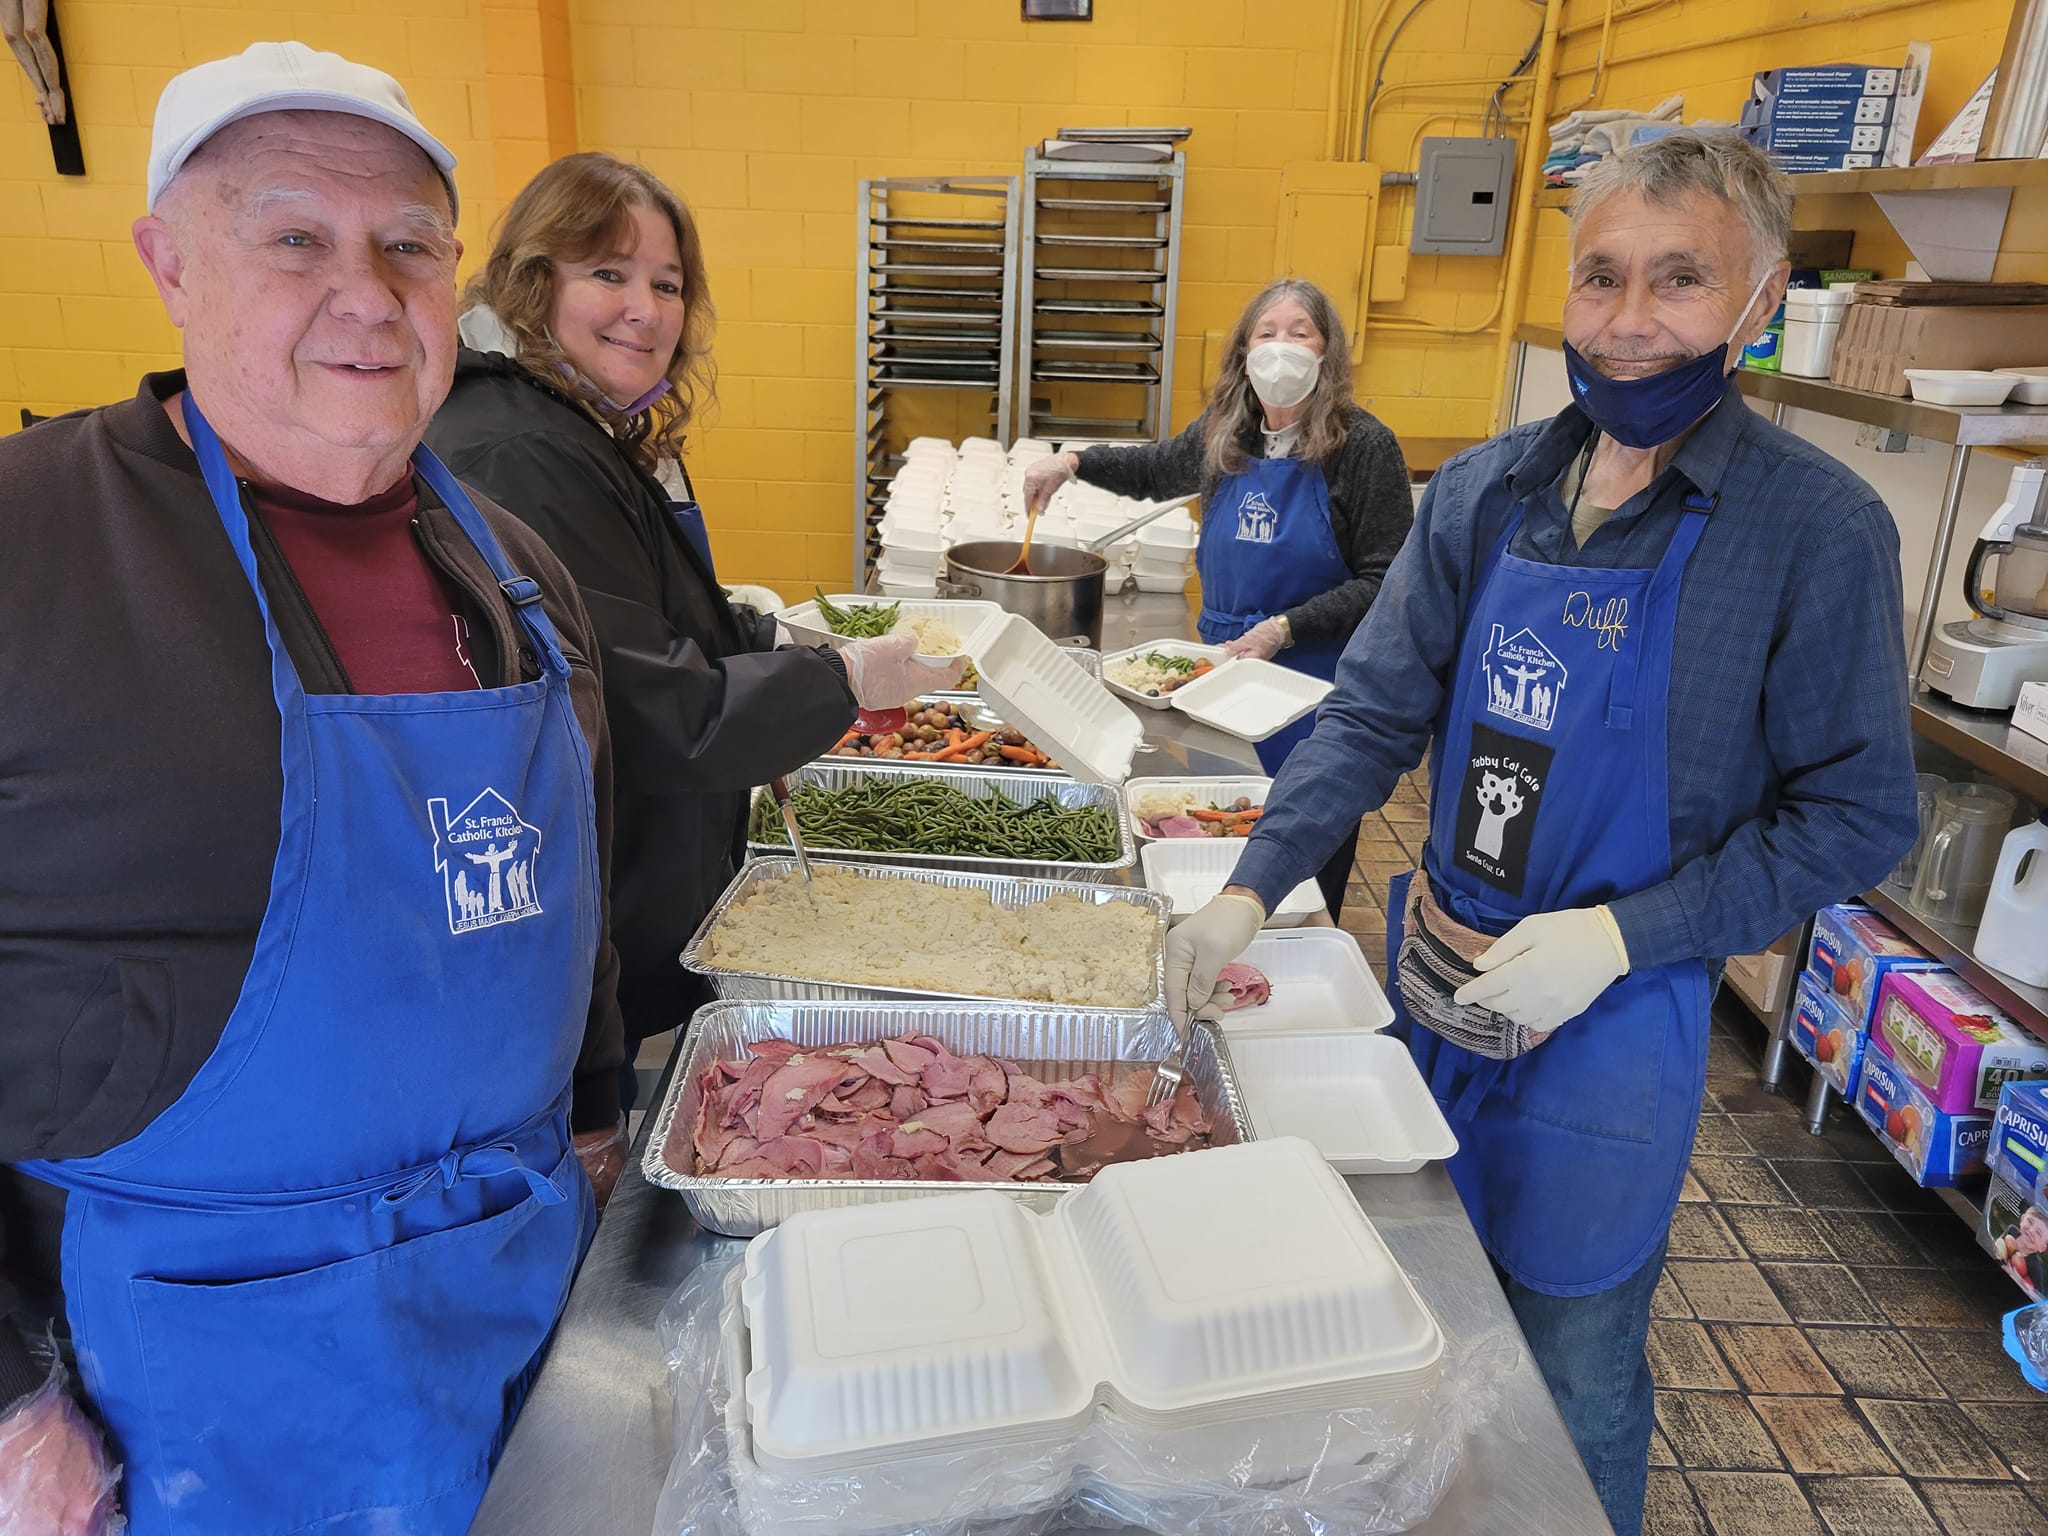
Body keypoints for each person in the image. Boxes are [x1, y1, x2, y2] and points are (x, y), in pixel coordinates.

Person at [1163, 133, 1917, 1536]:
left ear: (1759, 302)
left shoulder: (1817, 532)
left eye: (1681, 280)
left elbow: (1860, 815)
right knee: (1423, 1315)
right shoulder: (1492, 492)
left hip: (1609, 1027)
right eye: (1602, 278)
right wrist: (1244, 893)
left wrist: (1625, 935)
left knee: (1571, 1366)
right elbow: (1373, 713)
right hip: (1441, 990)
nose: (1631, 325)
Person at [0, 43, 639, 1534]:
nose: (366, 292)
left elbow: (573, 887)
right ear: (168, 259)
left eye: (407, 245)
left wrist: (603, 1113)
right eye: (294, 237)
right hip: (164, 1394)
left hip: (516, 1322)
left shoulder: (514, 573)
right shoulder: (30, 551)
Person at [426, 153, 958, 1105]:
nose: (647, 308)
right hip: (587, 914)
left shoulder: (563, 424)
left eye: (667, 284)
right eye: (609, 273)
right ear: (531, 278)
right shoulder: (520, 447)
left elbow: (661, 616)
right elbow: (652, 706)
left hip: (625, 887)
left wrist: (782, 646)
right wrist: (835, 679)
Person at [1021, 279, 1413, 915]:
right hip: (1224, 673)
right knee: (1227, 823)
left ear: (1327, 352)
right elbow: (1153, 469)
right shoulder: (1226, 433)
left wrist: (1284, 629)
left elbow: (1387, 579)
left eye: (1299, 332)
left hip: (1321, 684)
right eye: (1267, 333)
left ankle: (1305, 949)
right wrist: (1071, 463)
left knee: (1308, 842)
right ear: (1244, 351)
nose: (1280, 347)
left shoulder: (1363, 446)